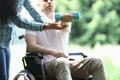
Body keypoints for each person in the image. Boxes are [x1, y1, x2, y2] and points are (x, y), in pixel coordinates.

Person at [25, 0, 107, 80]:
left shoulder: (62, 20)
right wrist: (53, 52)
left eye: (52, 0)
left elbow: (63, 25)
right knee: (62, 62)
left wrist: (65, 20)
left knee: (97, 62)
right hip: (46, 65)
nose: (49, 2)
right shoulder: (32, 24)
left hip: (66, 63)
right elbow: (31, 46)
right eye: (45, 0)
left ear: (55, 3)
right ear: (38, 4)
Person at [0, 0, 66, 80]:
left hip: (5, 42)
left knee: (5, 77)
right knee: (2, 76)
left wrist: (50, 23)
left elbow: (33, 12)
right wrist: (45, 27)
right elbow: (19, 21)